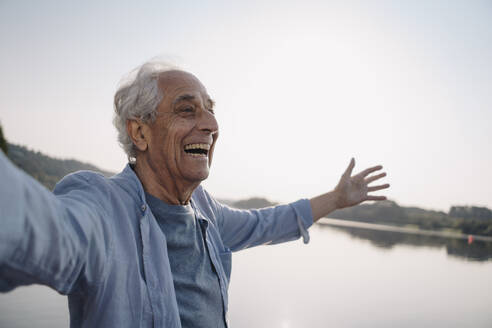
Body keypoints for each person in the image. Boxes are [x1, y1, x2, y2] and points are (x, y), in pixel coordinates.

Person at [0, 60, 389, 328]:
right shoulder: (101, 207)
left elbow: (268, 222)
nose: (211, 124)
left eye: (210, 110)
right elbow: (40, 228)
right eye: (187, 110)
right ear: (140, 133)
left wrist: (336, 199)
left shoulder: (205, 211)